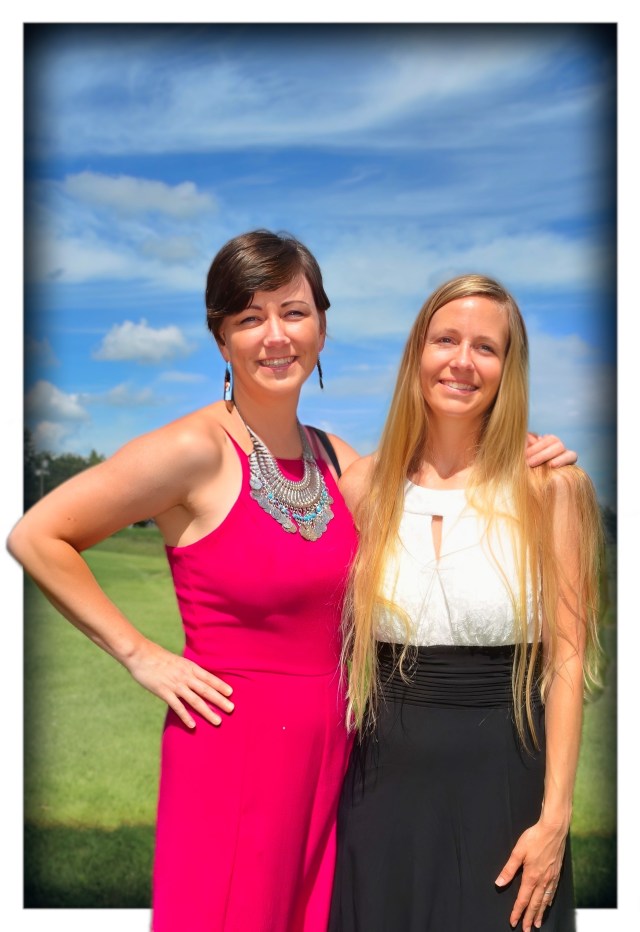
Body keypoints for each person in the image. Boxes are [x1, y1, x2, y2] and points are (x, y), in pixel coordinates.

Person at [8, 232, 577, 932]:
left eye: (294, 312)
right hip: (233, 754)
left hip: (339, 761)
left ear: (322, 327)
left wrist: (518, 446)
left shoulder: (338, 461)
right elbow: (38, 534)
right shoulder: (192, 450)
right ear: (221, 339)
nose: (275, 336)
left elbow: (442, 482)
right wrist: (142, 655)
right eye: (249, 318)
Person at [328, 274, 602, 932]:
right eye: (445, 339)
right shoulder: (365, 485)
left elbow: (566, 659)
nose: (461, 361)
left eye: (486, 347)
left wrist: (555, 818)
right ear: (417, 353)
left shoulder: (552, 487)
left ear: (509, 368)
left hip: (504, 789)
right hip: (378, 790)